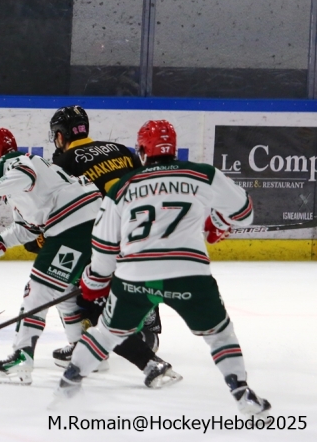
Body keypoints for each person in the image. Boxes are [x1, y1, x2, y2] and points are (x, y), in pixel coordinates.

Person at [55, 120, 270, 415]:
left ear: (142, 151)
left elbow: (104, 245)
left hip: (134, 275)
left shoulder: (122, 187)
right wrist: (218, 223)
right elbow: (244, 212)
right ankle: (241, 392)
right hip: (189, 274)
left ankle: (67, 387)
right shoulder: (202, 174)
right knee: (220, 335)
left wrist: (95, 280)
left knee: (106, 332)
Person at [47, 105, 178, 387]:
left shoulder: (64, 163)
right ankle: (149, 327)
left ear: (60, 135)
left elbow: (66, 215)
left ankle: (87, 342)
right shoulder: (120, 149)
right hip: (145, 236)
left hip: (105, 236)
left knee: (75, 285)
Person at [0, 127, 102, 385]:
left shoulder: (14, 164)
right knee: (60, 288)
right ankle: (82, 351)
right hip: (88, 224)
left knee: (37, 289)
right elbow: (28, 228)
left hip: (75, 226)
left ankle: (22, 356)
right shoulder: (15, 183)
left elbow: (24, 174)